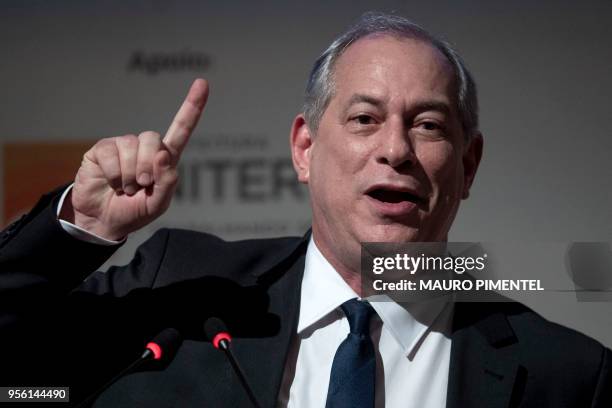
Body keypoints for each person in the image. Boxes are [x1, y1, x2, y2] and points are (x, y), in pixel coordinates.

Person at [1, 12, 610, 408]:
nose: (395, 150)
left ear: (468, 166)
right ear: (305, 148)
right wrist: (78, 229)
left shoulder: (570, 378)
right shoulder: (182, 288)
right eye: (364, 119)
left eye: (427, 125)